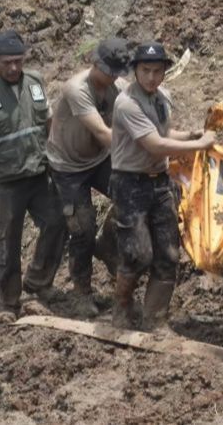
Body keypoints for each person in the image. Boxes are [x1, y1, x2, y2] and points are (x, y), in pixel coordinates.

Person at [0, 29, 67, 317]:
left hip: (37, 174)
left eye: (18, 61)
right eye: (7, 62)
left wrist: (58, 159)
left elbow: (48, 121)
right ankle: (9, 301)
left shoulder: (35, 82)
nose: (14, 68)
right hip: (4, 183)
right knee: (6, 242)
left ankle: (39, 280)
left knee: (58, 222)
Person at [110, 41, 216, 330]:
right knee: (137, 254)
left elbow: (165, 132)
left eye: (158, 71)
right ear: (135, 71)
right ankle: (121, 306)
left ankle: (155, 320)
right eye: (145, 71)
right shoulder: (126, 104)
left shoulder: (161, 97)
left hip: (159, 183)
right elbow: (154, 145)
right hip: (130, 183)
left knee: (168, 255)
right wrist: (198, 144)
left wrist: (191, 134)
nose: (152, 77)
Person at [46, 38, 131, 316]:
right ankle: (81, 292)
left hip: (98, 159)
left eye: (117, 73)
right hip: (68, 165)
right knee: (82, 228)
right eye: (109, 71)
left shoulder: (117, 87)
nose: (113, 78)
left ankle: (107, 243)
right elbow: (104, 134)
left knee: (131, 195)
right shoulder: (76, 89)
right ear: (95, 64)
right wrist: (146, 144)